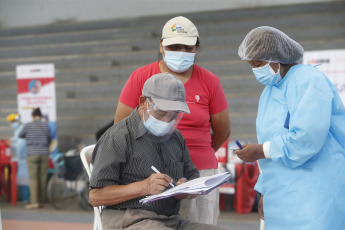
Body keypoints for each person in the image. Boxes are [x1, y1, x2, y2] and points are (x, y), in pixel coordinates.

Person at [113, 16, 230, 225]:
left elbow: (223, 131)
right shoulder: (141, 77)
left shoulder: (210, 81)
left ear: (197, 48)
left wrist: (192, 158)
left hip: (198, 173)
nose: (181, 52)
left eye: (187, 47)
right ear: (161, 46)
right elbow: (120, 128)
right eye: (174, 46)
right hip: (149, 172)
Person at [236, 26, 345, 229]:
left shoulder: (309, 80)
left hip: (314, 194)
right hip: (280, 197)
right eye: (251, 65)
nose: (255, 70)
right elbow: (270, 148)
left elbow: (307, 138)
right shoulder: (268, 93)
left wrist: (260, 151)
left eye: (258, 64)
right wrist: (265, 191)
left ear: (276, 58)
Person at [89, 73, 229, 230]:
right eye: (161, 112)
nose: (166, 121)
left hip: (171, 220)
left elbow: (192, 176)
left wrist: (185, 188)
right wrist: (144, 187)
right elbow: (96, 196)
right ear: (143, 102)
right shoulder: (118, 137)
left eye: (174, 115)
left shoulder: (175, 137)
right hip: (128, 219)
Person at [19, 107, 52, 209]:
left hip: (32, 154)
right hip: (44, 154)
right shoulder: (46, 126)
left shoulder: (28, 125)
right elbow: (49, 139)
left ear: (33, 116)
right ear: (41, 116)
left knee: (33, 178)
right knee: (42, 177)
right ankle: (41, 201)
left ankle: (34, 202)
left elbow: (21, 135)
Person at [6, 113, 30, 203]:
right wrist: (12, 141)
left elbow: (20, 145)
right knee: (22, 178)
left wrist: (11, 144)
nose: (12, 124)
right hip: (21, 158)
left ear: (17, 120)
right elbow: (16, 140)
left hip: (24, 157)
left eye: (13, 122)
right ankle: (24, 197)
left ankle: (26, 198)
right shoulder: (18, 129)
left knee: (24, 178)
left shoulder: (22, 129)